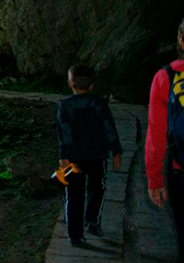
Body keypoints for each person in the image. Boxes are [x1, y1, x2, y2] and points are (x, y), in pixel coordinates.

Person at [146, 15, 184, 262]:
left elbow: (156, 137)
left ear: (181, 41)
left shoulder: (165, 77)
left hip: (183, 173)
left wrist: (155, 180)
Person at [58, 64, 123, 246]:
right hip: (96, 155)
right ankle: (92, 221)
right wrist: (116, 150)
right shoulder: (99, 104)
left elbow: (64, 132)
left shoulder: (65, 106)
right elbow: (108, 128)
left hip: (74, 157)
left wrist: (64, 156)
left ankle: (75, 234)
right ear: (92, 85)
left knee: (74, 194)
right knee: (97, 188)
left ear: (69, 83)